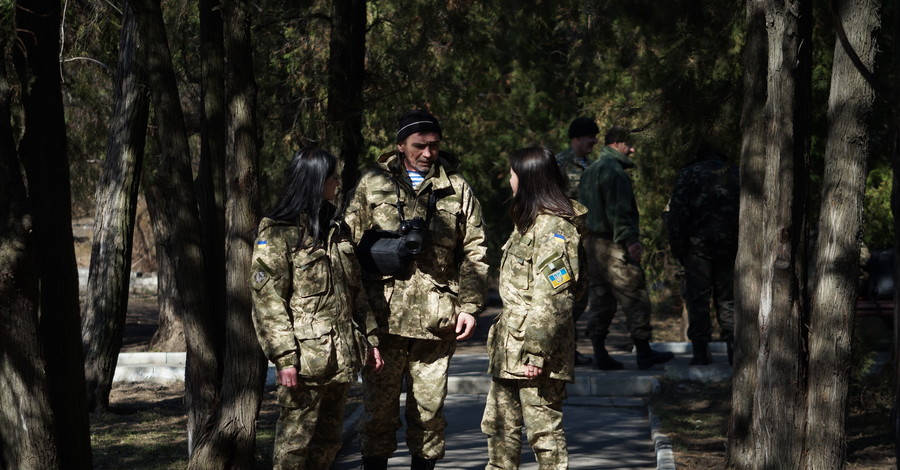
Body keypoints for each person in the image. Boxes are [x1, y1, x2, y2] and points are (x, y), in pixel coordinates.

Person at [345, 109, 489, 470]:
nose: (428, 153)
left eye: (434, 146)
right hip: (383, 319)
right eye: (419, 146)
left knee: (429, 414)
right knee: (378, 412)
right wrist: (355, 310)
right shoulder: (372, 185)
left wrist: (470, 306)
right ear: (400, 146)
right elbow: (346, 245)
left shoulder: (455, 187)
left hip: (436, 320)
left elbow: (475, 248)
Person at [250, 148, 384, 469]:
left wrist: (371, 341)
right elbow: (268, 301)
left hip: (339, 361)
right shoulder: (279, 234)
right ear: (314, 181)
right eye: (332, 177)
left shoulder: (338, 231)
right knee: (294, 449)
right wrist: (284, 358)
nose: (338, 182)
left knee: (328, 443)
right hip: (304, 365)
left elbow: (356, 294)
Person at [482, 146, 586, 470]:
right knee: (499, 431)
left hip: (534, 355)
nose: (509, 180)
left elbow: (555, 297)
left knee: (544, 437)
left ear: (528, 179)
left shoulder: (555, 230)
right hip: (510, 350)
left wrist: (536, 352)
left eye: (513, 174)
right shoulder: (528, 224)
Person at [578, 126, 674, 370]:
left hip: (591, 244)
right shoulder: (614, 171)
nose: (632, 149)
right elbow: (620, 211)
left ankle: (600, 354)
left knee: (601, 299)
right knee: (635, 294)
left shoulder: (590, 171)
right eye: (629, 144)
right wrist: (630, 240)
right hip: (613, 243)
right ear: (616, 144)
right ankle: (644, 351)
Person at [665, 144, 739, 365]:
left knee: (698, 300)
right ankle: (734, 352)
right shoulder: (735, 172)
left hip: (697, 249)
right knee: (728, 300)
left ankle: (700, 353)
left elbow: (676, 215)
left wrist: (678, 249)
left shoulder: (688, 174)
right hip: (730, 246)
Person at [555, 117, 601, 367]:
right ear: (576, 138)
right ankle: (561, 350)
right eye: (589, 137)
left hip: (588, 240)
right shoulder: (560, 163)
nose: (593, 141)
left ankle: (569, 348)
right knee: (565, 293)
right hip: (566, 239)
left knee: (581, 295)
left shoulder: (591, 165)